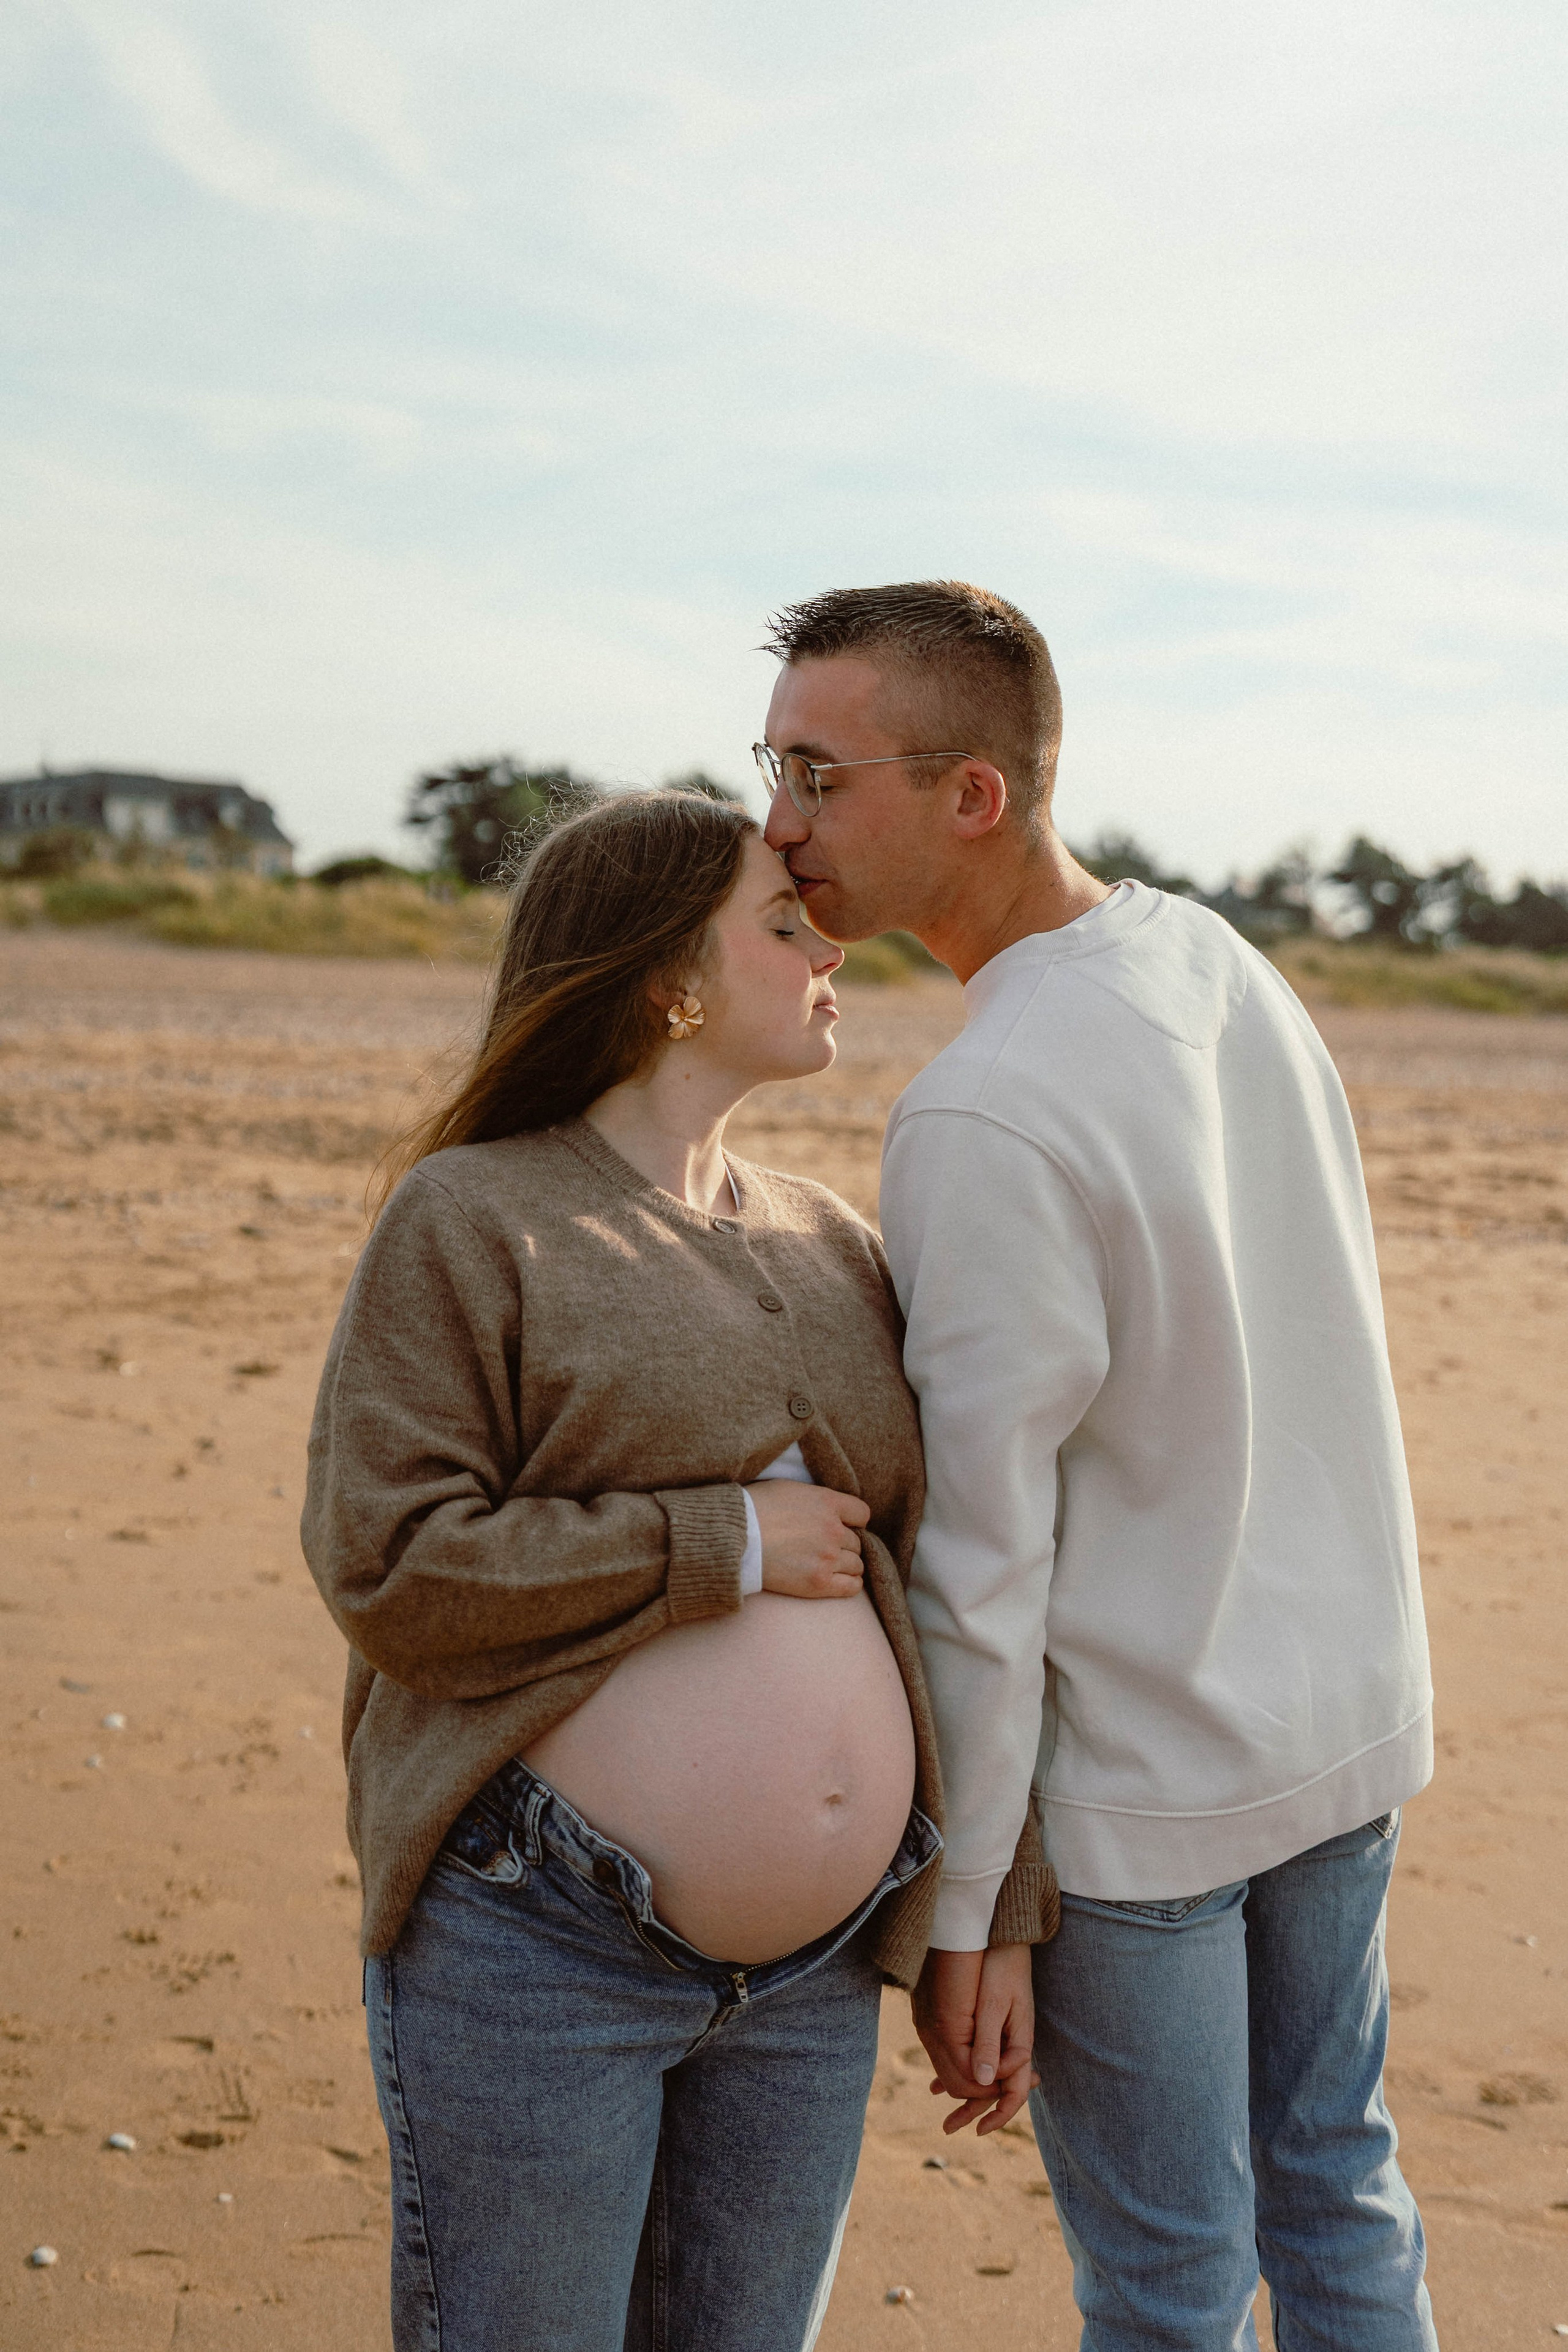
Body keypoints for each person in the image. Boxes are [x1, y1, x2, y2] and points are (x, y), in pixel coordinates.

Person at [757, 581, 1438, 2348]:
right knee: (1345, 2194)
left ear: (971, 797)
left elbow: (987, 1557)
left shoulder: (986, 1107)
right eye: (772, 769)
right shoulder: (1216, 958)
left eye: (821, 777)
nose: (778, 825)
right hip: (1346, 1725)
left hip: (1154, 1798)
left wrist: (965, 1903)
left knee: (1168, 2285)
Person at [301, 788, 1052, 2352]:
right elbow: (389, 1565)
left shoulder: (828, 1241)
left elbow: (941, 1583)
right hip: (539, 1949)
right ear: (669, 981)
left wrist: (987, 1905)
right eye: (783, 927)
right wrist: (714, 1544)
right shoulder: (474, 1217)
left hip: (812, 1981)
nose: (829, 947)